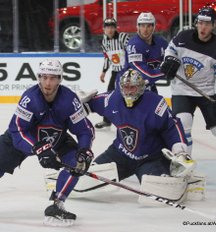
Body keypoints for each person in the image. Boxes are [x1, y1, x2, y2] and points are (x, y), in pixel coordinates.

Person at [160, 6, 216, 188]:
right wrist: (169, 61)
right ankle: (184, 170)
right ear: (196, 23)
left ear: (214, 25)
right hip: (182, 90)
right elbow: (170, 52)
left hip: (207, 92)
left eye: (207, 24)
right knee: (183, 124)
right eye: (200, 23)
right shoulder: (182, 38)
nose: (203, 27)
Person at [78, 69, 200, 202]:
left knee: (162, 194)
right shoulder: (113, 99)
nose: (128, 91)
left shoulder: (156, 104)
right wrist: (77, 102)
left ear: (141, 87)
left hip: (151, 159)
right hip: (120, 154)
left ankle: (187, 180)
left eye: (132, 87)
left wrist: (180, 151)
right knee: (86, 179)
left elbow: (172, 127)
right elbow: (88, 105)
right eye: (125, 87)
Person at [0, 59, 95, 226]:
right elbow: (17, 129)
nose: (48, 83)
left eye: (52, 78)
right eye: (44, 77)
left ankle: (58, 204)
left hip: (57, 139)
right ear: (38, 78)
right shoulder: (30, 98)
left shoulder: (69, 100)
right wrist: (38, 148)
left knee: (77, 162)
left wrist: (85, 150)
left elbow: (85, 130)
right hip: (24, 140)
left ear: (60, 79)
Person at [95, 18, 130, 129]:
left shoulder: (123, 37)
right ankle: (107, 120)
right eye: (107, 27)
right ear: (104, 29)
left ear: (115, 28)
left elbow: (133, 51)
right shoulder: (104, 41)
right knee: (109, 94)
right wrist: (104, 72)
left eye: (112, 27)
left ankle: (128, 119)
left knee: (126, 94)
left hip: (126, 71)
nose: (109, 30)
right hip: (115, 71)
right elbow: (107, 57)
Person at [123, 12, 168, 92]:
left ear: (153, 27)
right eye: (142, 26)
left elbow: (171, 57)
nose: (145, 29)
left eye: (149, 26)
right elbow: (147, 75)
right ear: (138, 27)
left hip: (149, 86)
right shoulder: (134, 45)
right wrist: (166, 71)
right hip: (130, 88)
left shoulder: (161, 43)